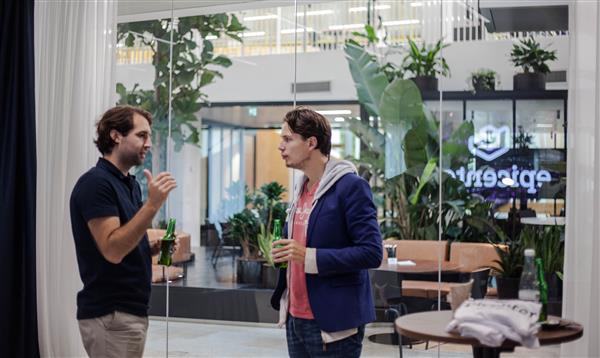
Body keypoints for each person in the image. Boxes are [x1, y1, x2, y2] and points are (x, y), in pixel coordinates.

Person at [271, 107, 383, 357]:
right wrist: (285, 253)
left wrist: (308, 256)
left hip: (334, 322)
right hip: (295, 318)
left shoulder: (351, 187)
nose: (281, 146)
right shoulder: (301, 189)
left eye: (288, 139)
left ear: (311, 142)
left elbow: (372, 253)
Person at [70, 105, 177, 358]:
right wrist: (152, 205)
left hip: (127, 311)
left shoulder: (129, 184)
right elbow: (113, 249)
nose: (148, 143)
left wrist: (149, 248)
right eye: (141, 135)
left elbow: (125, 239)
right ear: (116, 136)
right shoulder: (96, 183)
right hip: (111, 313)